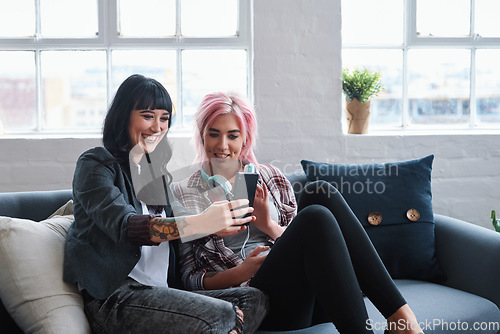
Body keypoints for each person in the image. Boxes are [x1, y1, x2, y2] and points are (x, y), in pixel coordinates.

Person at [172, 91, 425, 334]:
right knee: (315, 216)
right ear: (202, 136)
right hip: (259, 301)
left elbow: (308, 242)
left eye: (233, 136)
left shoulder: (272, 178)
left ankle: (401, 317)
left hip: (309, 292)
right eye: (214, 134)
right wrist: (241, 272)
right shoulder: (183, 192)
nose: (223, 145)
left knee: (319, 191)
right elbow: (188, 278)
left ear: (245, 139)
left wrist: (268, 225)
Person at [62, 75, 268, 334]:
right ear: (123, 116)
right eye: (147, 116)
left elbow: (187, 222)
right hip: (116, 299)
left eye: (164, 118)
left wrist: (217, 223)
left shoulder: (156, 175)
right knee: (223, 313)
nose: (157, 127)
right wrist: (201, 222)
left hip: (163, 294)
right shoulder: (96, 165)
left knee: (254, 299)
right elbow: (127, 226)